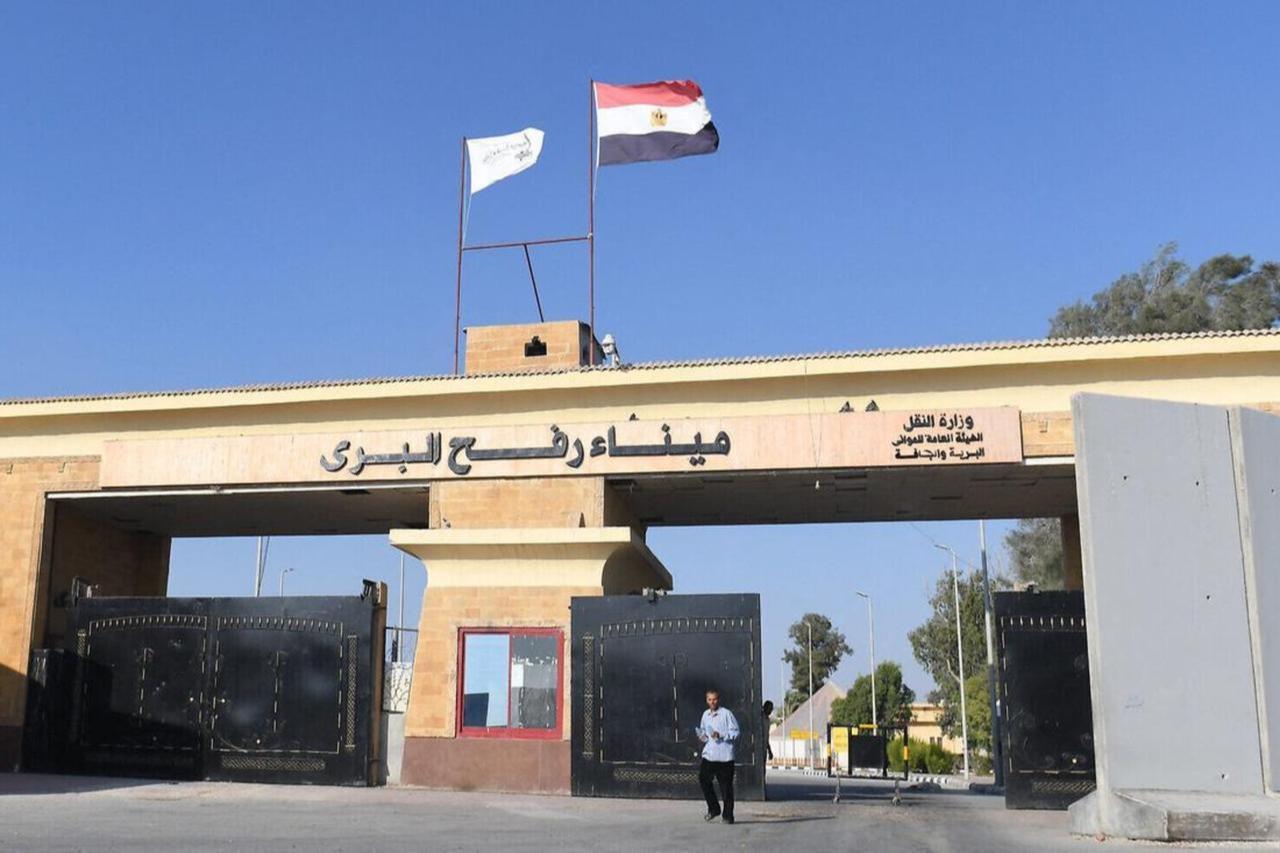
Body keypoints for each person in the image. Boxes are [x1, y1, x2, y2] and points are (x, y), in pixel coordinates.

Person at [696, 688, 739, 824]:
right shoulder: (705, 715)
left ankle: (728, 816)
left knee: (726, 787)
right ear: (706, 700)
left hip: (725, 757)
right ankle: (714, 808)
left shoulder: (727, 714)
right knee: (703, 779)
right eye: (709, 699)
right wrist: (702, 736)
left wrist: (722, 735)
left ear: (718, 699)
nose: (712, 702)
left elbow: (736, 732)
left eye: (714, 699)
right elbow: (704, 733)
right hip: (710, 754)